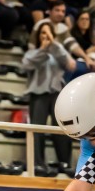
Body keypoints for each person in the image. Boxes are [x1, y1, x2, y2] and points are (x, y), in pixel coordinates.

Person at [23, 20, 74, 171]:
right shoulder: (32, 53)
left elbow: (68, 63)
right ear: (38, 36)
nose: (46, 36)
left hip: (57, 92)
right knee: (37, 128)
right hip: (38, 93)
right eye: (43, 33)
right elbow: (27, 65)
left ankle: (64, 161)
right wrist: (44, 50)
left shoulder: (58, 50)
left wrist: (54, 44)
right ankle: (37, 162)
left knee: (62, 128)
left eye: (49, 32)